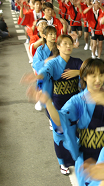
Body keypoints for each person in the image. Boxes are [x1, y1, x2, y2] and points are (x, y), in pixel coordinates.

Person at [27, 58, 104, 186]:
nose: (98, 79)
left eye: (101, 75)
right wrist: (48, 102)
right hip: (88, 154)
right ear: (84, 77)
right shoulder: (77, 100)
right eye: (93, 76)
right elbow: (61, 120)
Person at [22, 35, 83, 175]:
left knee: (76, 131)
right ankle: (63, 163)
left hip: (75, 103)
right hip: (58, 103)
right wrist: (37, 76)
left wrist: (79, 71)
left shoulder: (77, 62)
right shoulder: (53, 63)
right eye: (65, 44)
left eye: (70, 43)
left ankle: (75, 158)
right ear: (59, 46)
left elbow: (91, 71)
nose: (68, 46)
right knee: (60, 134)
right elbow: (45, 71)